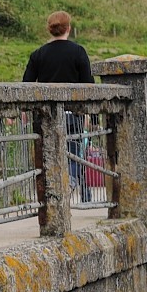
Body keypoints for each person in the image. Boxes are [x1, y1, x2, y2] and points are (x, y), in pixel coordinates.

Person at [22, 10, 94, 201]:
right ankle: (69, 183)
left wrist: (23, 111)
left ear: (49, 29)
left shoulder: (38, 54)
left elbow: (26, 85)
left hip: (45, 116)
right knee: (73, 153)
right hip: (73, 114)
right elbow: (89, 86)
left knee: (49, 154)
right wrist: (91, 116)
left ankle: (51, 194)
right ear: (69, 28)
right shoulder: (78, 52)